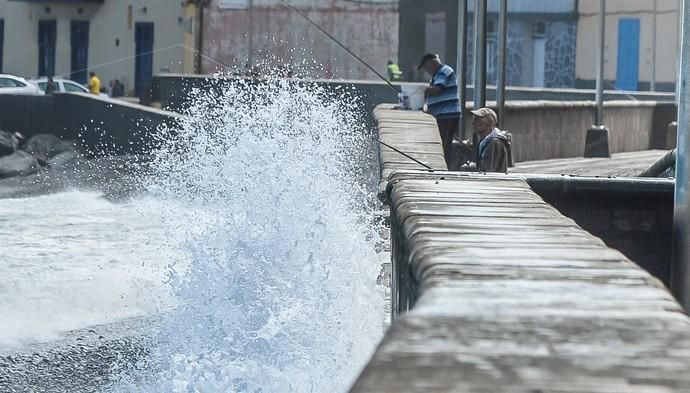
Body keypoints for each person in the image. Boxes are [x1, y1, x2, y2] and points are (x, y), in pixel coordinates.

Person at [418, 53, 460, 170]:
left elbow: (437, 89)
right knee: (442, 142)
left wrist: (422, 90)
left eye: (425, 67)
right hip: (441, 115)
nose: (426, 71)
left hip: (447, 115)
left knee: (444, 144)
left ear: (431, 63)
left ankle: (445, 168)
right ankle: (444, 166)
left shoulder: (444, 71)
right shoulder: (437, 75)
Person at [471, 107, 510, 173]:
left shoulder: (494, 142)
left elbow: (489, 171)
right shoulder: (485, 141)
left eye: (477, 119)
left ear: (489, 123)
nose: (473, 123)